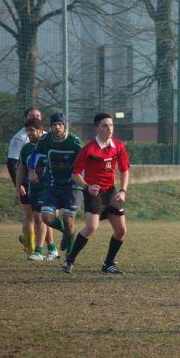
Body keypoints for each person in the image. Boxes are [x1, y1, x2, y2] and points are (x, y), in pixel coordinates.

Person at [62, 113, 130, 274]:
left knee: (121, 231)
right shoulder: (89, 149)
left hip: (111, 192)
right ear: (97, 128)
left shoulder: (118, 146)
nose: (109, 129)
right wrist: (87, 187)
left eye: (111, 125)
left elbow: (125, 170)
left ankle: (108, 264)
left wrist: (123, 191)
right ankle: (69, 260)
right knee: (92, 227)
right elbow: (75, 173)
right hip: (94, 192)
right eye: (105, 125)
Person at [29, 112, 83, 260]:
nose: (57, 127)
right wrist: (32, 170)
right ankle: (66, 233)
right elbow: (35, 154)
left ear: (64, 125)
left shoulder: (75, 142)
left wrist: (85, 182)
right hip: (53, 185)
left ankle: (69, 257)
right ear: (51, 126)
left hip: (72, 186)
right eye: (54, 124)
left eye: (60, 124)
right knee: (45, 217)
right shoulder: (45, 140)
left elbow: (85, 161)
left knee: (68, 220)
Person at [15, 118, 59, 261]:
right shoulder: (26, 149)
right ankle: (52, 248)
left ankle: (38, 251)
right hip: (33, 189)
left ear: (40, 131)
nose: (30, 133)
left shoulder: (49, 146)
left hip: (48, 189)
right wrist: (18, 188)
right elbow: (21, 169)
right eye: (28, 130)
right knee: (38, 218)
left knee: (39, 218)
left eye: (32, 130)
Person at [7, 107, 42, 253]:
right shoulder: (20, 138)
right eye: (31, 115)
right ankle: (32, 248)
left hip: (44, 183)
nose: (35, 117)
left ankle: (45, 247)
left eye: (37, 115)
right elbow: (12, 162)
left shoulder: (46, 135)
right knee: (30, 215)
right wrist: (18, 184)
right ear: (25, 118)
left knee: (43, 215)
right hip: (27, 183)